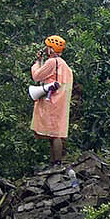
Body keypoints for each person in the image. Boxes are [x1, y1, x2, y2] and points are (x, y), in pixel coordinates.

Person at [31, 35, 75, 164]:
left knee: (55, 134)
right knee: (55, 133)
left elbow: (37, 76)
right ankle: (55, 162)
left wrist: (37, 63)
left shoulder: (52, 62)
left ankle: (56, 162)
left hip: (52, 101)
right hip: (61, 102)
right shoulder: (64, 64)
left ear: (51, 48)